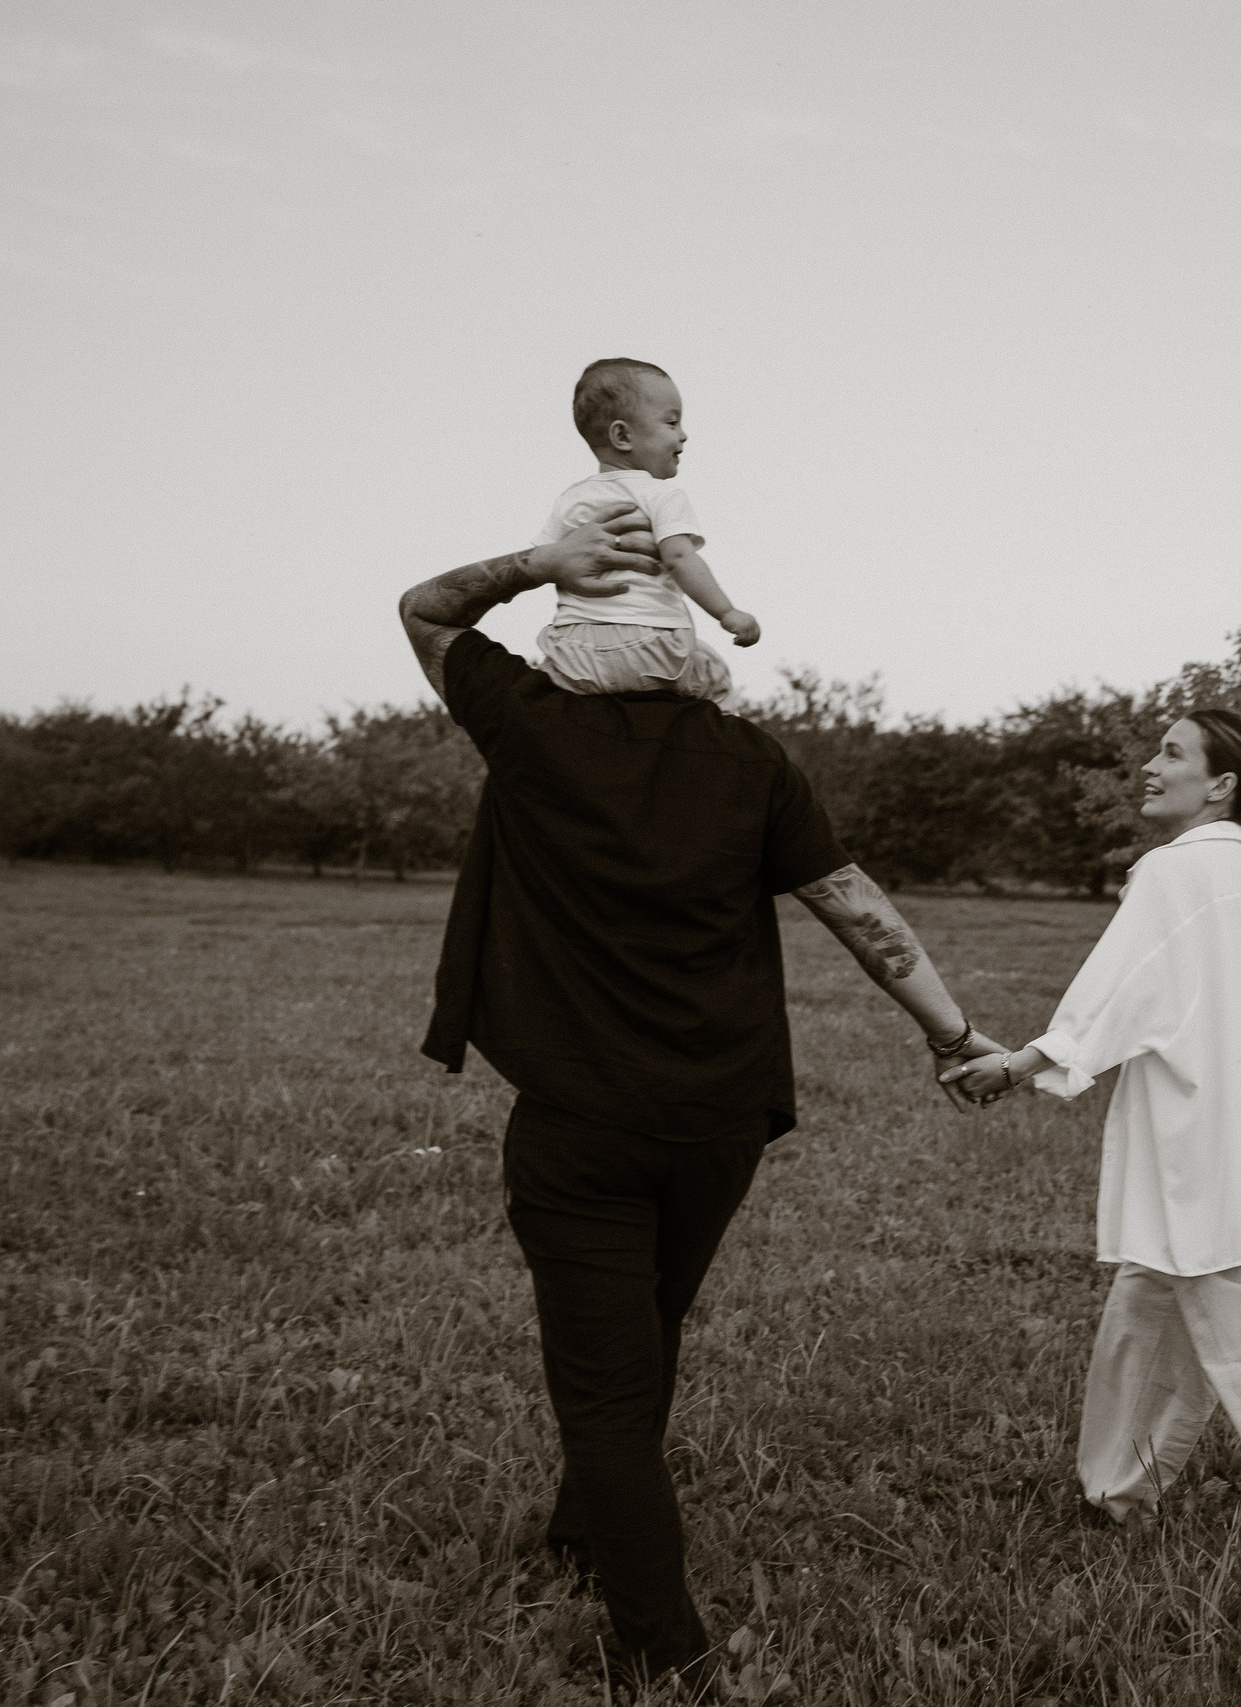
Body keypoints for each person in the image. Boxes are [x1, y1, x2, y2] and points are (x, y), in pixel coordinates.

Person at [396, 506, 1005, 1688]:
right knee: (648, 1329)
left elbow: (424, 609)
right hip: (718, 1124)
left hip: (580, 1125)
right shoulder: (751, 761)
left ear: (572, 640)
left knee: (607, 1386)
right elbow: (852, 902)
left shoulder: (527, 725)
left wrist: (534, 563)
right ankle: (582, 1531)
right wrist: (950, 1033)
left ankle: (659, 1646)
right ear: (682, 644)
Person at [945, 710, 1241, 1603]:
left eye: (1172, 753)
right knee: (1145, 1310)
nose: (1148, 765)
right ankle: (1119, 1492)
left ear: (1222, 784)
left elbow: (1120, 995)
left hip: (1207, 1157)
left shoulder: (1178, 870)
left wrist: (1012, 1067)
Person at [533, 357, 760, 713]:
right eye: (672, 422)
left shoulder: (570, 499)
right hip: (651, 648)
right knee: (714, 677)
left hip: (572, 653)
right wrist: (727, 613)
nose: (683, 434)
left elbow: (540, 561)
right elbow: (680, 558)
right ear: (622, 436)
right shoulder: (660, 495)